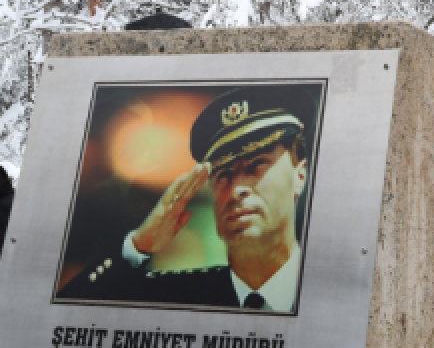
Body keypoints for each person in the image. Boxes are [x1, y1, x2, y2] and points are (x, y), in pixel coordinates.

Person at [59, 87, 314, 311]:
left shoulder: (329, 291)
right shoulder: (182, 293)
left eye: (257, 165)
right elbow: (66, 311)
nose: (237, 189)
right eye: (223, 173)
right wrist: (140, 244)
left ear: (299, 175)